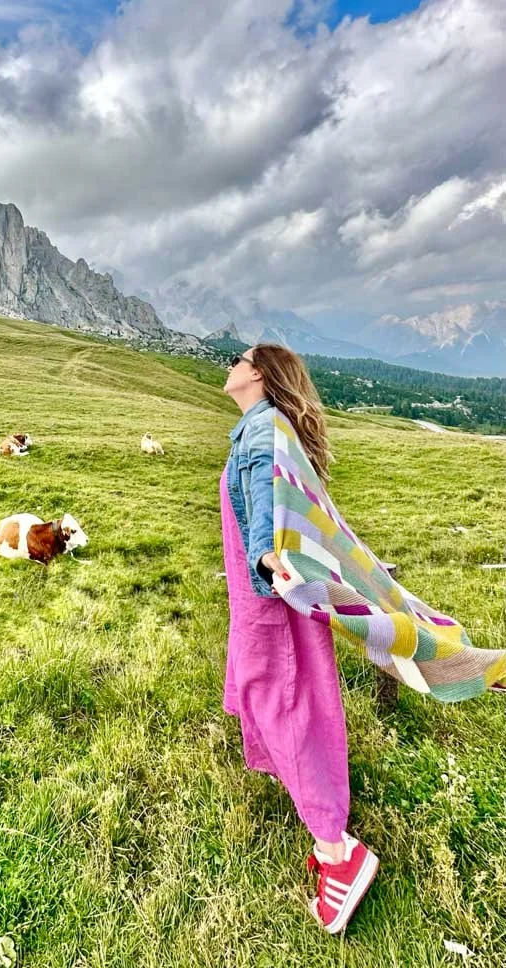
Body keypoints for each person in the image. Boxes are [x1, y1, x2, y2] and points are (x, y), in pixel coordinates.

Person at [221, 342, 378, 935]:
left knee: (284, 705)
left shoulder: (262, 429)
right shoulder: (263, 425)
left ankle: (340, 856)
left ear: (258, 373)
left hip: (268, 599)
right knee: (287, 699)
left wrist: (266, 557)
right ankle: (327, 830)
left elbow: (265, 503)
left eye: (237, 358)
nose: (229, 365)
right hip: (265, 596)